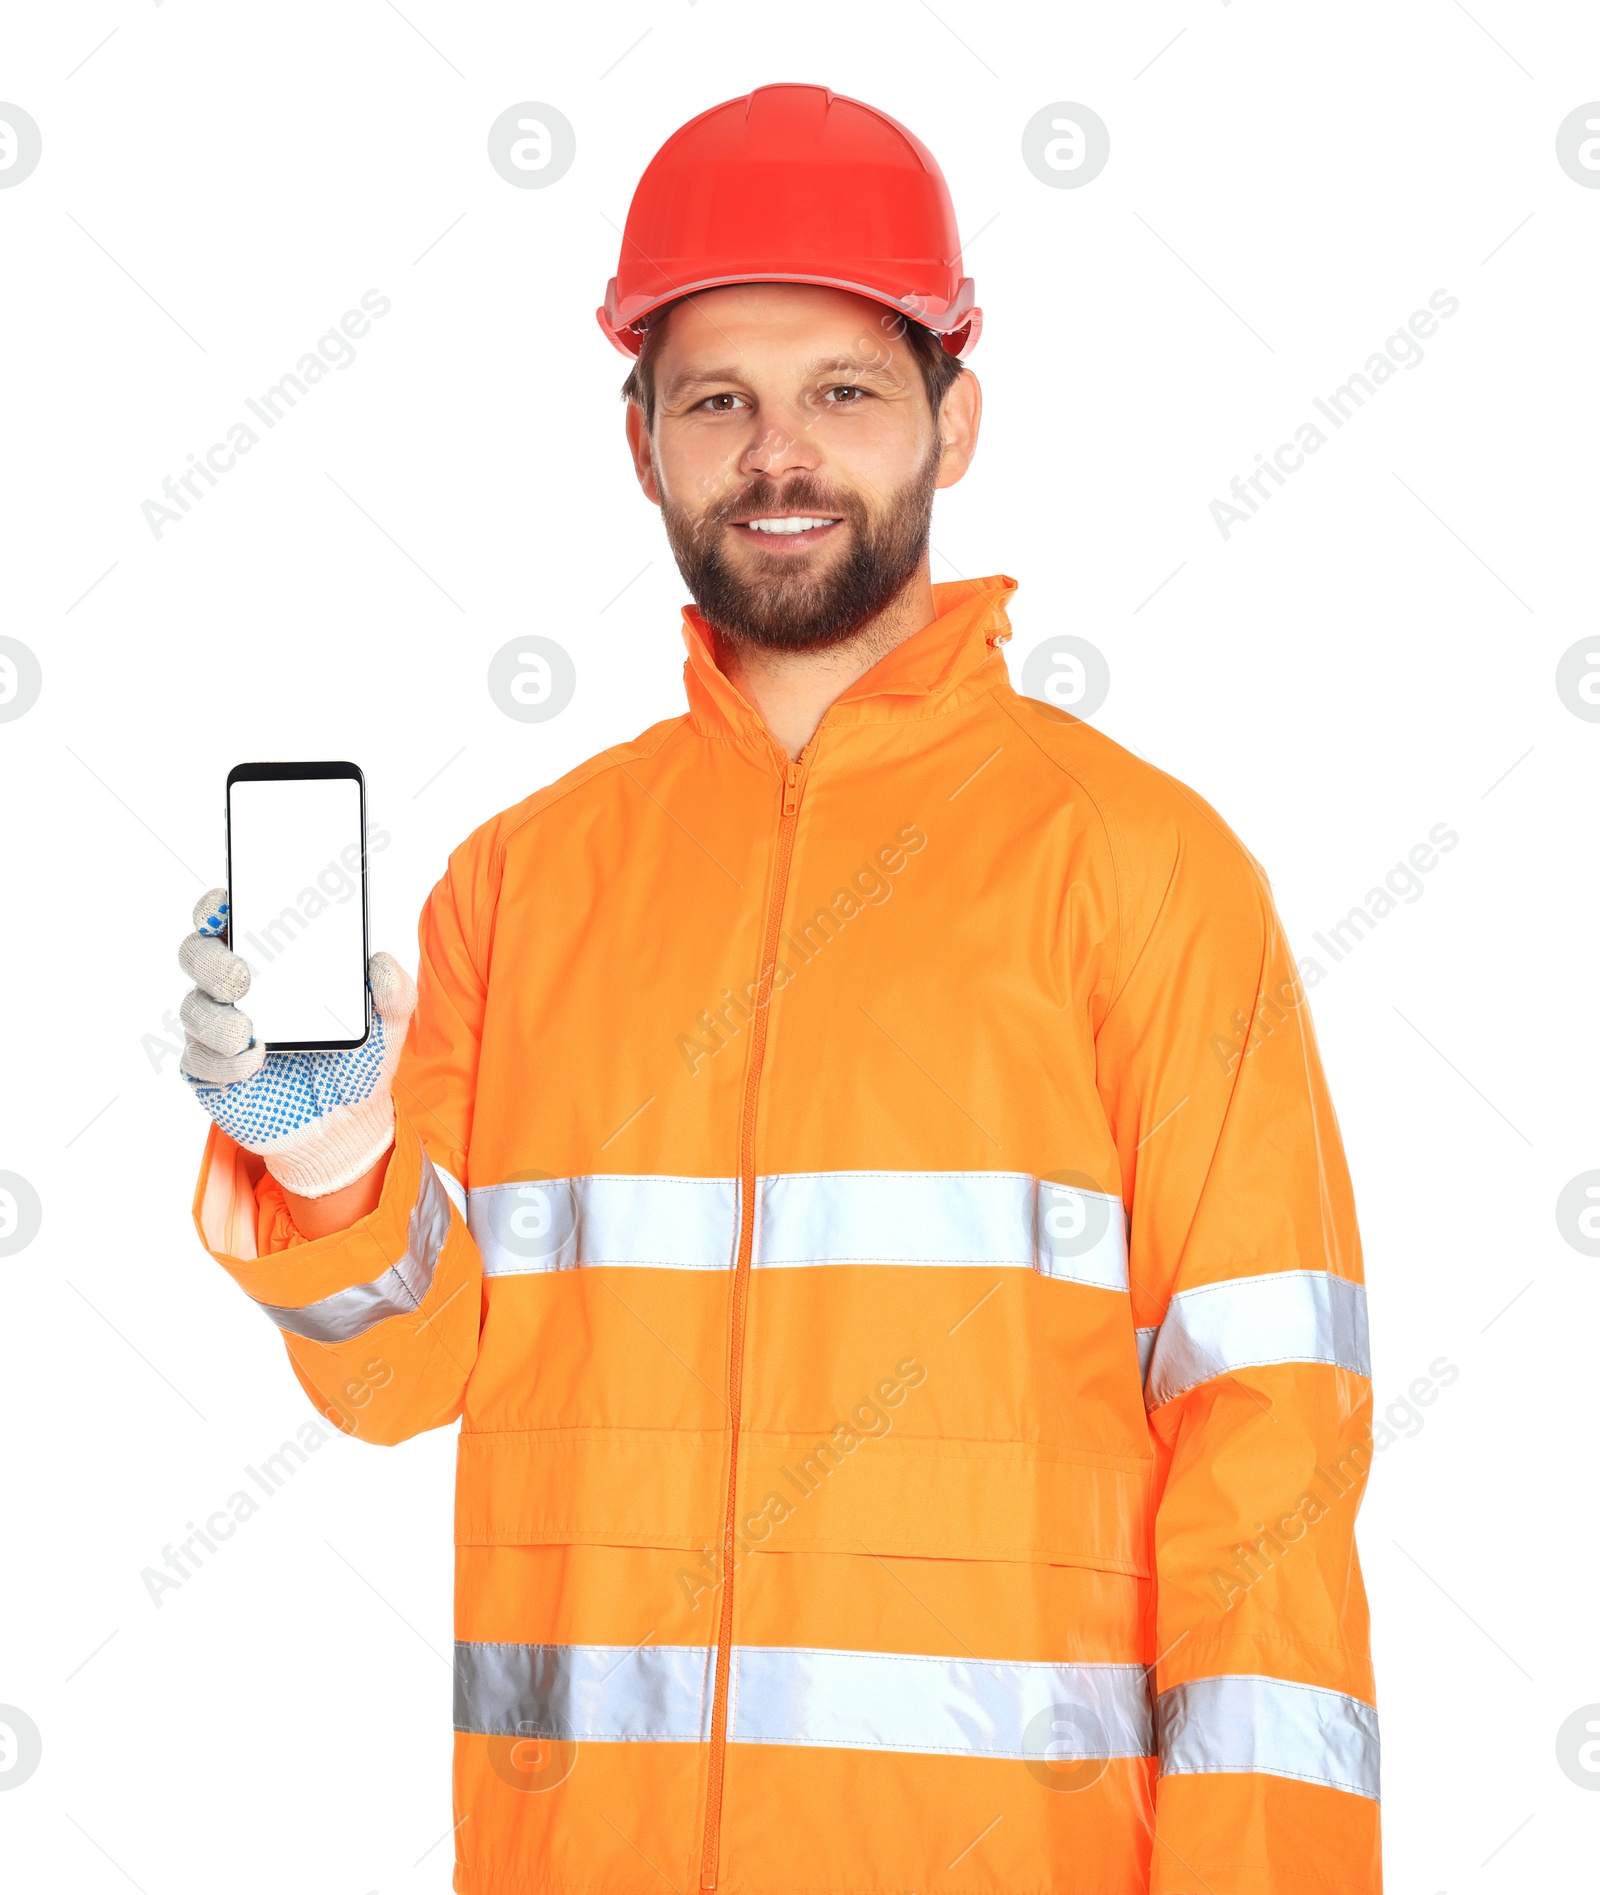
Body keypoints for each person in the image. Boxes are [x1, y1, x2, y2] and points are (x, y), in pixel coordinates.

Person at [177, 84, 1379, 1895]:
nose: (779, 452)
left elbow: (1268, 1455)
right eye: (719, 397)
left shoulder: (1141, 869)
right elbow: (403, 1382)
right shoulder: (521, 881)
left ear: (952, 423)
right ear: (641, 438)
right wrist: (330, 1151)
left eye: (844, 391)